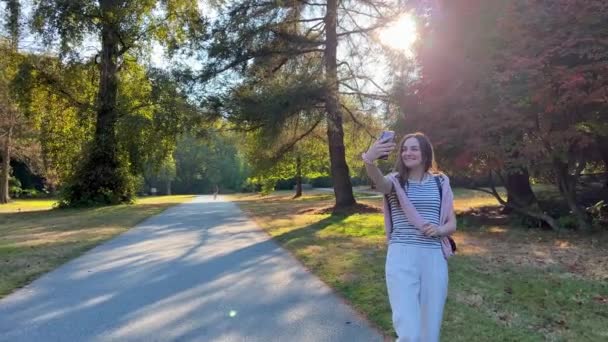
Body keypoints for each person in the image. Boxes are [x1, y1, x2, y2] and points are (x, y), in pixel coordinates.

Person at [361, 132, 457, 342]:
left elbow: (452, 224)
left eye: (414, 148)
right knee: (409, 331)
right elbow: (380, 183)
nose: (408, 153)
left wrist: (439, 231)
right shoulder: (394, 181)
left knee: (430, 330)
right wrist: (369, 160)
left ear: (425, 152)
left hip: (433, 257)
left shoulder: (441, 182)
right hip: (401, 255)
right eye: (404, 149)